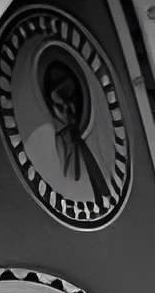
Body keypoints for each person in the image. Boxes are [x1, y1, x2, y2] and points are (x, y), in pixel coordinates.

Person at [36, 50, 109, 207]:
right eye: (59, 104)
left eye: (69, 95)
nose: (67, 107)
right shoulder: (58, 146)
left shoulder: (103, 130)